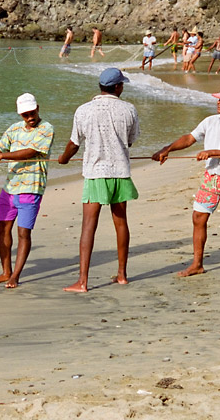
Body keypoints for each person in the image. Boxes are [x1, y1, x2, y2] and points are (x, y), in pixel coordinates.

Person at [152, 85, 220, 280]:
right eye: (219, 99)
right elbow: (190, 138)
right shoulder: (209, 121)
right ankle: (197, 264)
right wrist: (168, 149)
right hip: (211, 176)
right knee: (198, 218)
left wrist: (212, 152)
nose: (218, 102)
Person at [58, 68, 140, 292]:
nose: (122, 87)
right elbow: (130, 140)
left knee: (88, 226)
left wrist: (63, 159)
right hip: (120, 172)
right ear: (117, 87)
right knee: (121, 222)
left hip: (95, 173)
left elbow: (74, 143)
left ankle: (82, 281)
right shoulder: (129, 109)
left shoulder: (83, 110)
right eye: (122, 84)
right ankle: (122, 275)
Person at [0, 93, 54, 288]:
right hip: (9, 188)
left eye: (32, 112)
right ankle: (6, 272)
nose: (29, 117)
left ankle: (16, 275)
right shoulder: (14, 129)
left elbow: (30, 152)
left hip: (31, 188)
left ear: (38, 107)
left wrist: (2, 156)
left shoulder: (46, 128)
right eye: (25, 115)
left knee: (23, 233)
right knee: (3, 230)